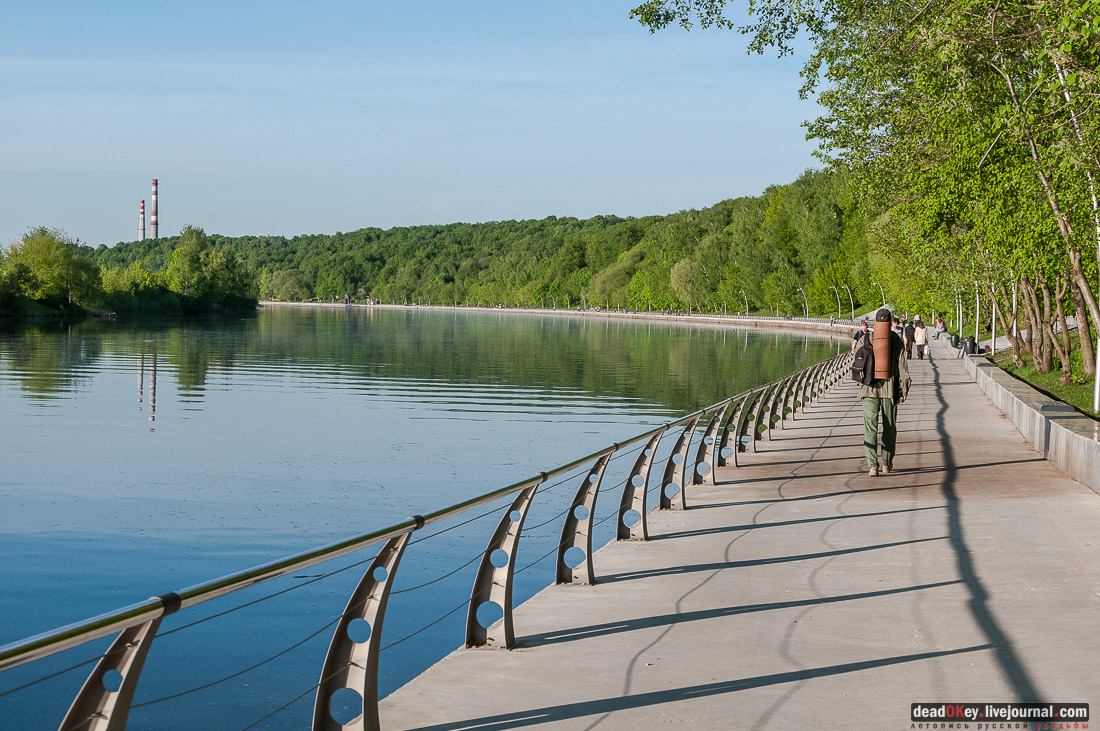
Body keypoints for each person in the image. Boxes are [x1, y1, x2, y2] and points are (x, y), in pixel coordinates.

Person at [862, 309, 912, 477]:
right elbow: (902, 366)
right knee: (889, 428)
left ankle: (872, 466)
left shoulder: (867, 337)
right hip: (890, 390)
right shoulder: (896, 339)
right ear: (891, 322)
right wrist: (904, 389)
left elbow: (858, 361)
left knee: (870, 428)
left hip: (869, 389)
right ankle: (887, 464)